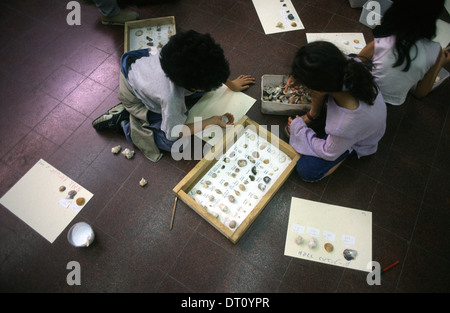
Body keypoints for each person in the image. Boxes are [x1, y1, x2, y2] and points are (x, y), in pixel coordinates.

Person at [92, 30, 255, 162]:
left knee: (206, 89)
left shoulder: (180, 51)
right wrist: (210, 121)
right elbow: (173, 133)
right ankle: (127, 121)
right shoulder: (171, 96)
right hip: (134, 97)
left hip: (140, 70)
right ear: (189, 86)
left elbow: (210, 65)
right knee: (174, 144)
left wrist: (231, 84)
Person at [285, 41, 387, 182]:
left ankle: (347, 150)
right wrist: (297, 76)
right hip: (361, 120)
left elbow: (328, 152)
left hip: (357, 137)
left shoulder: (343, 125)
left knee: (306, 169)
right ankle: (315, 115)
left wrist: (299, 129)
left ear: (318, 89)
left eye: (306, 84)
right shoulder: (345, 64)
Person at [357, 0, 449, 105]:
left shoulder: (386, 37)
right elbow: (420, 93)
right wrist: (440, 63)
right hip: (395, 102)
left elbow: (358, 61)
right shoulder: (436, 50)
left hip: (365, 93)